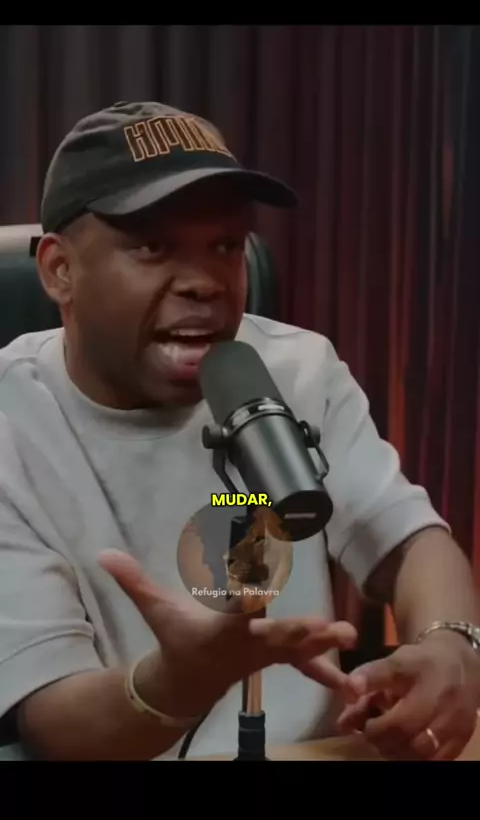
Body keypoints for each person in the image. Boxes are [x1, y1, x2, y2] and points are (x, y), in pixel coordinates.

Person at [0, 100, 479, 763]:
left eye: (226, 246)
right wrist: (178, 682)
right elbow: (54, 723)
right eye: (153, 247)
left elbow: (410, 541)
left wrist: (452, 645)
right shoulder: (11, 421)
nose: (205, 283)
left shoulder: (298, 367)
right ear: (60, 270)